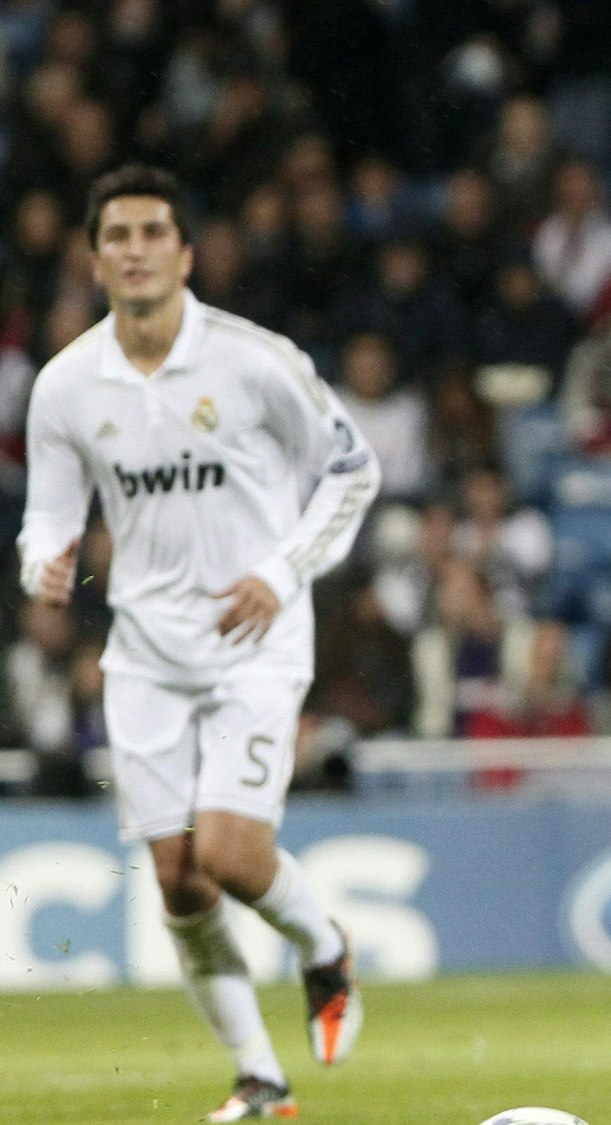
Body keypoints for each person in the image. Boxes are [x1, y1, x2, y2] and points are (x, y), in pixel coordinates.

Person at [18, 165, 379, 1122]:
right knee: (177, 880)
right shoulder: (65, 386)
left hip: (255, 638)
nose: (134, 249)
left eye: (152, 232)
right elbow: (47, 520)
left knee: (226, 852)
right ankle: (261, 1077)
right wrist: (42, 564)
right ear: (95, 258)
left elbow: (353, 469)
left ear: (185, 252)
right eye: (117, 235)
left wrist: (284, 569)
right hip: (144, 651)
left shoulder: (254, 362)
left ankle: (323, 947)